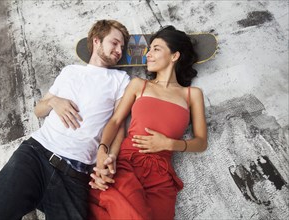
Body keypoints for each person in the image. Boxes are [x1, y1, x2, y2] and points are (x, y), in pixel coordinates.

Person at [0, 19, 130, 220]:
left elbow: (118, 124)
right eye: (114, 43)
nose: (119, 50)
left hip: (75, 176)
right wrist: (55, 101)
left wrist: (108, 156)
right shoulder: (70, 71)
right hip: (36, 155)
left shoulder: (120, 80)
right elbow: (39, 110)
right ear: (97, 41)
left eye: (122, 47)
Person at [89, 25, 208, 220]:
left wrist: (169, 144)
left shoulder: (192, 94)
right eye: (148, 49)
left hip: (161, 175)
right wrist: (102, 150)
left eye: (156, 49)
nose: (148, 55)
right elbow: (116, 120)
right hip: (127, 163)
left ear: (175, 56)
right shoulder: (139, 85)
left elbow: (201, 141)